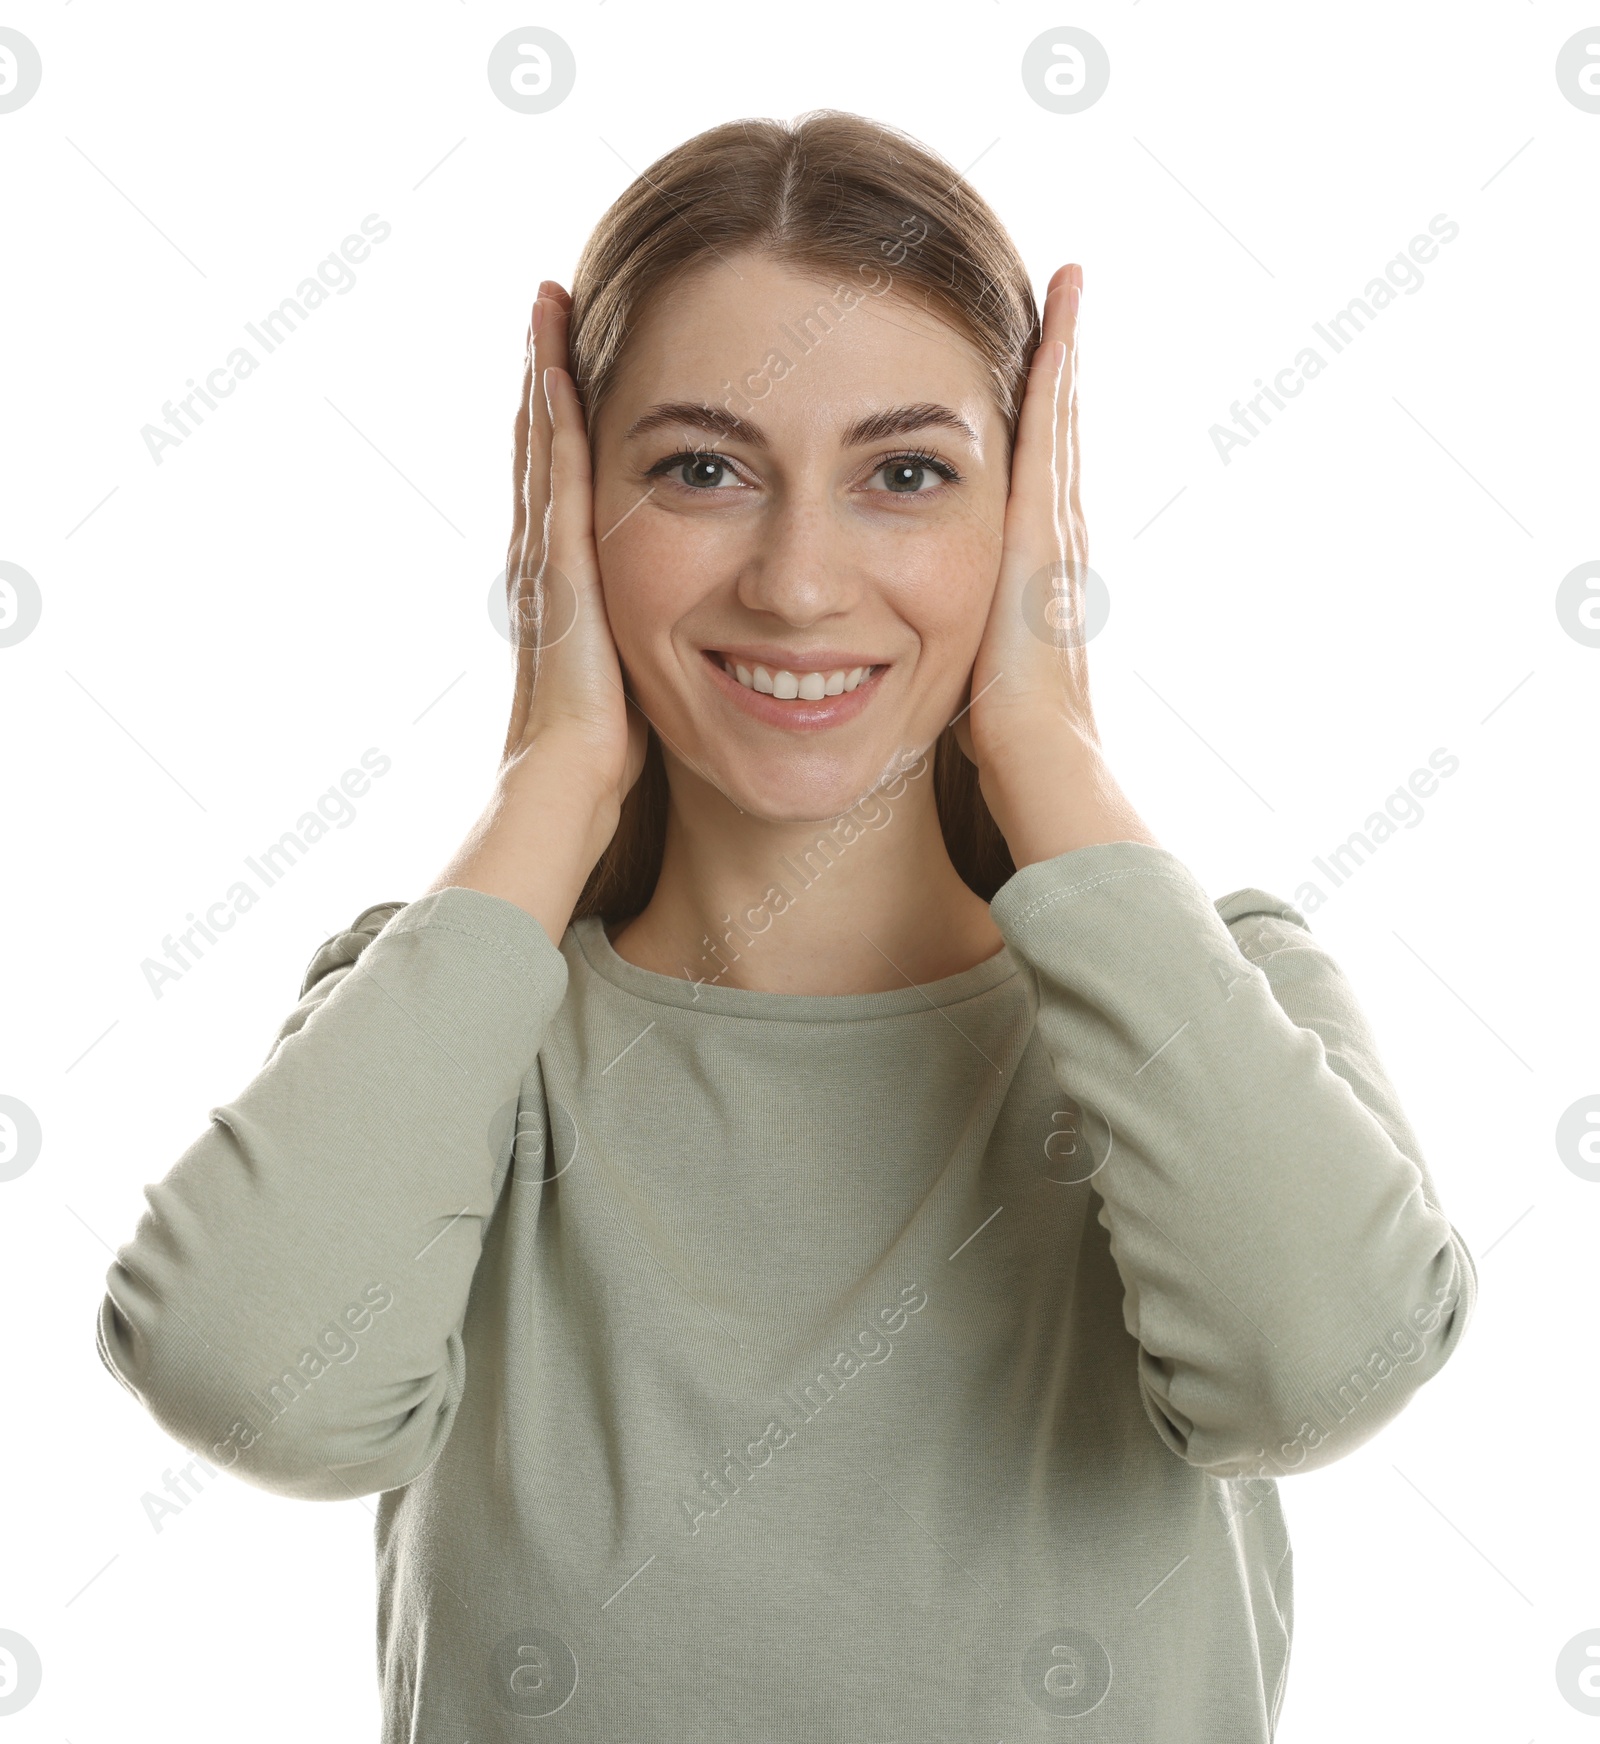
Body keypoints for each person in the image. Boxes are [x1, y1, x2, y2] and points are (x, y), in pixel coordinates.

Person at [96, 110, 1476, 1740]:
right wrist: (553, 772)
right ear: (566, 512)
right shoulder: (448, 1022)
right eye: (701, 469)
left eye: (908, 474)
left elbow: (1317, 1372)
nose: (800, 581)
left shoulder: (1217, 999)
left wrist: (1048, 744)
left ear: (1032, 520)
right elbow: (252, 1387)